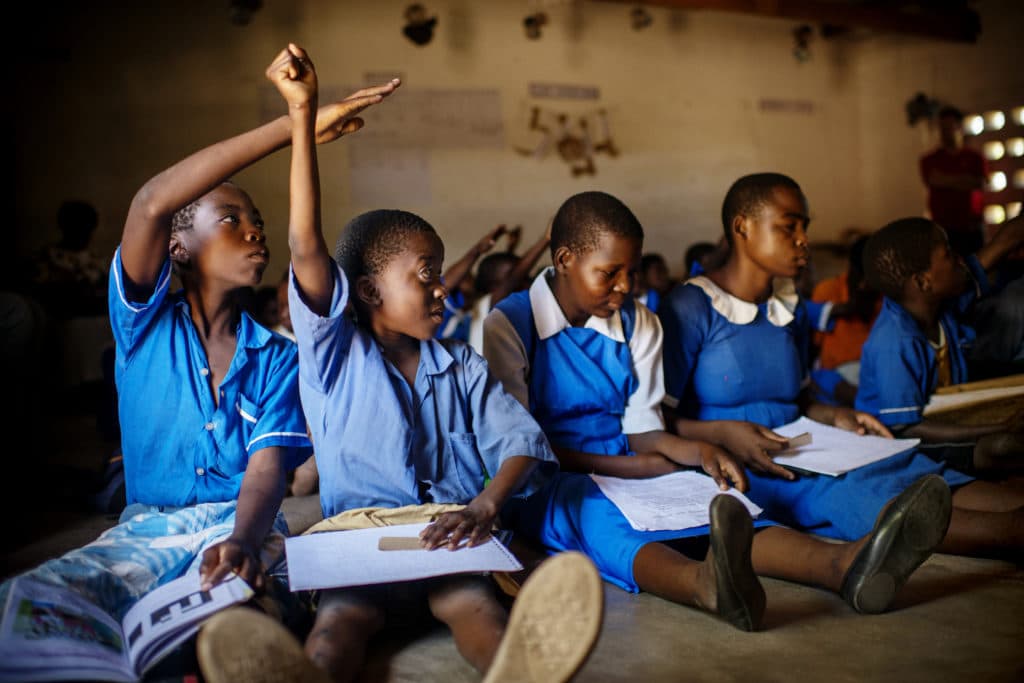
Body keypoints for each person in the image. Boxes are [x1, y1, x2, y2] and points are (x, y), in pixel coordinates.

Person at [211, 44, 601, 683]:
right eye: (427, 276)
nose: (443, 289)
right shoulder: (334, 355)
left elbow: (521, 443)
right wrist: (302, 121)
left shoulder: (462, 367)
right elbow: (305, 245)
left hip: (448, 535)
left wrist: (485, 506)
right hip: (355, 540)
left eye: (442, 275)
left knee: (474, 605)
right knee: (340, 624)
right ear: (366, 292)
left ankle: (517, 670)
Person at [484, 190, 952, 633]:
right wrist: (628, 468)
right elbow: (523, 448)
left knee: (721, 498)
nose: (626, 287)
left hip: (632, 463)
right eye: (610, 273)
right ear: (565, 260)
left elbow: (645, 430)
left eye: (631, 272)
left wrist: (699, 452)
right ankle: (701, 586)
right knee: (598, 517)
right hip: (545, 478)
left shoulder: (639, 323)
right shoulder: (512, 323)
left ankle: (841, 565)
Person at [0, 44, 344, 633]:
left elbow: (265, 474)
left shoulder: (279, 357)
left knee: (255, 596)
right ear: (178, 248)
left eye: (258, 220)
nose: (254, 230)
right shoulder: (143, 326)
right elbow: (152, 203)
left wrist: (240, 539)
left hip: (246, 524)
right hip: (143, 530)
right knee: (33, 601)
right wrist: (293, 124)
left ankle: (224, 641)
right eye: (231, 219)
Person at [660, 172, 1024, 563]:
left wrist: (838, 415)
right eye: (789, 226)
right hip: (749, 467)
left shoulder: (789, 305)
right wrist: (722, 433)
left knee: (907, 467)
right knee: (875, 501)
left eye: (805, 226)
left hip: (812, 446)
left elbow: (800, 398)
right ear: (742, 227)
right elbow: (659, 422)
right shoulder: (690, 307)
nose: (803, 239)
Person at [856, 215, 1024, 476]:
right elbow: (906, 429)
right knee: (1002, 446)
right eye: (948, 254)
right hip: (904, 442)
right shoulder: (894, 344)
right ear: (923, 282)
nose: (960, 259)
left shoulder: (939, 307)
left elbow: (991, 254)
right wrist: (998, 427)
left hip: (949, 413)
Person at [809, 235, 881, 406]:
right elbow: (813, 347)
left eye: (870, 279)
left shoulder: (886, 298)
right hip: (835, 376)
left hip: (875, 374)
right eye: (859, 275)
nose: (863, 284)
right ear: (851, 269)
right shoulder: (828, 291)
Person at [466, 226, 550, 353]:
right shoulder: (485, 304)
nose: (528, 284)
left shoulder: (495, 302)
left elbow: (510, 274)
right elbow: (512, 277)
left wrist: (511, 247)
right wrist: (545, 239)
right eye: (521, 281)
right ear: (494, 287)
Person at [919, 106, 988, 257]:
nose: (944, 132)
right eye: (941, 128)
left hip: (972, 227)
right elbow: (933, 180)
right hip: (944, 228)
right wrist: (964, 180)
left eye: (948, 127)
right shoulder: (930, 159)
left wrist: (945, 179)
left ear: (959, 127)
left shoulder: (975, 157)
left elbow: (980, 183)